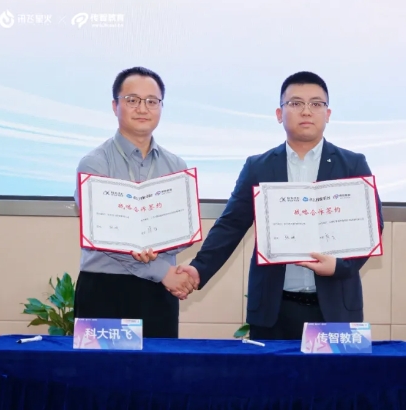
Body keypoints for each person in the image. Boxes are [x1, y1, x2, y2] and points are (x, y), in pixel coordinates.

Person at [175, 71, 384, 340]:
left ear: (328, 114)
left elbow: (372, 228)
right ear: (279, 113)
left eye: (316, 104)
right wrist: (198, 268)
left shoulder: (352, 165)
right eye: (295, 103)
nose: (306, 111)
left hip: (335, 309)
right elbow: (231, 225)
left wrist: (340, 266)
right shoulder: (259, 166)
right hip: (273, 309)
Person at [73, 66, 196, 338]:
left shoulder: (176, 167)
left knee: (157, 364)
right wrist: (162, 271)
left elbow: (183, 232)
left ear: (161, 107)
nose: (142, 108)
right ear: (115, 106)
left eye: (152, 101)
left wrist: (167, 248)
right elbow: (103, 236)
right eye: (132, 100)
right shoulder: (94, 164)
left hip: (158, 294)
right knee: (101, 366)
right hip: (105, 289)